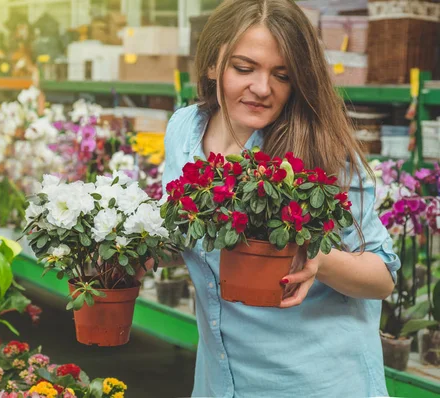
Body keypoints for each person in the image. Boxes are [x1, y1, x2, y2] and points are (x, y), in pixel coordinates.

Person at [161, 0, 400, 397]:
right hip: (221, 380)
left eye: (282, 75)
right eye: (243, 68)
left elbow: (382, 277)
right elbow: (187, 233)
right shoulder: (183, 131)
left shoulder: (319, 150)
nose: (262, 88)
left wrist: (319, 258)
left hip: (314, 381)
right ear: (211, 65)